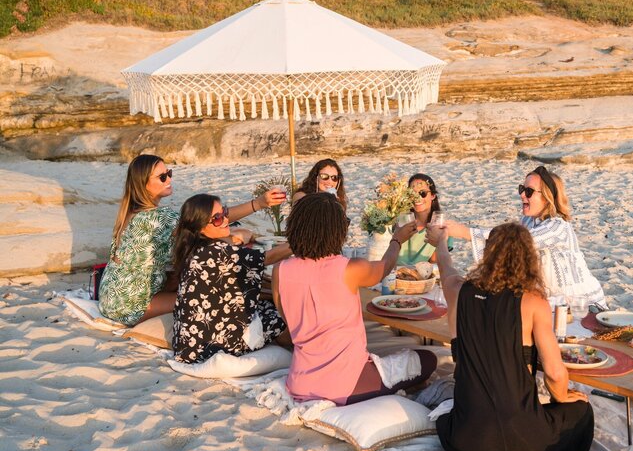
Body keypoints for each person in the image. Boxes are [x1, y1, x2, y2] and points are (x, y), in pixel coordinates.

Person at [427, 222, 594, 451]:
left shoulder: (458, 290)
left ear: (488, 254)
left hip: (466, 440)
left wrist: (441, 242)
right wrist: (562, 397)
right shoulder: (534, 302)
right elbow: (555, 373)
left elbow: (445, 265)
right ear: (528, 258)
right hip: (524, 441)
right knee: (581, 412)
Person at [273, 193, 437, 405]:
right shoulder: (349, 268)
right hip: (345, 385)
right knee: (428, 359)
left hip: (300, 381)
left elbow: (289, 320)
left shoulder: (280, 270)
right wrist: (397, 239)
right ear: (337, 231)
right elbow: (384, 267)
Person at [99, 154, 287, 326]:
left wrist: (257, 205)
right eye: (162, 177)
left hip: (110, 294)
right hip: (128, 304)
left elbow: (211, 218)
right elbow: (206, 222)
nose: (169, 180)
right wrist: (238, 232)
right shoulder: (158, 218)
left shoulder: (130, 212)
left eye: (169, 173)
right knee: (207, 296)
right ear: (143, 184)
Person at [446, 165, 608, 308]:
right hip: (549, 300)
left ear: (547, 197)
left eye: (529, 191)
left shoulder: (558, 226)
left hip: (580, 304)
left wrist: (466, 233)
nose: (522, 195)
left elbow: (516, 240)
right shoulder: (528, 221)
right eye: (521, 189)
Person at [171, 194, 293, 364]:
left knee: (267, 304)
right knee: (284, 315)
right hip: (210, 345)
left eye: (225, 213)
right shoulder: (216, 252)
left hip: (189, 343)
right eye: (217, 218)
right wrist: (303, 239)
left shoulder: (193, 247)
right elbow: (268, 257)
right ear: (200, 226)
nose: (226, 219)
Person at [397, 173, 454, 266]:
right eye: (412, 194)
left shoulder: (442, 226)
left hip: (423, 275)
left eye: (422, 193)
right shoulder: (400, 221)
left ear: (432, 195)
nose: (417, 198)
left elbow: (434, 261)